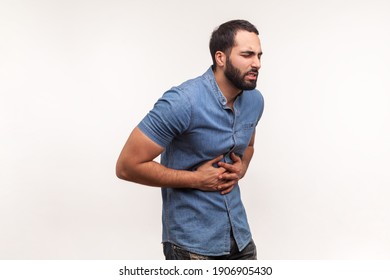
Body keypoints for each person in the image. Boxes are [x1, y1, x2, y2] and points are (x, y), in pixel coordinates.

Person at [116, 19, 264, 260]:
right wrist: (196, 179)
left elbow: (248, 145)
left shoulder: (255, 100)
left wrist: (242, 167)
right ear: (220, 58)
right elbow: (127, 166)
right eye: (247, 55)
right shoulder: (183, 102)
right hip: (191, 247)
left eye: (259, 55)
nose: (256, 63)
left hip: (241, 240)